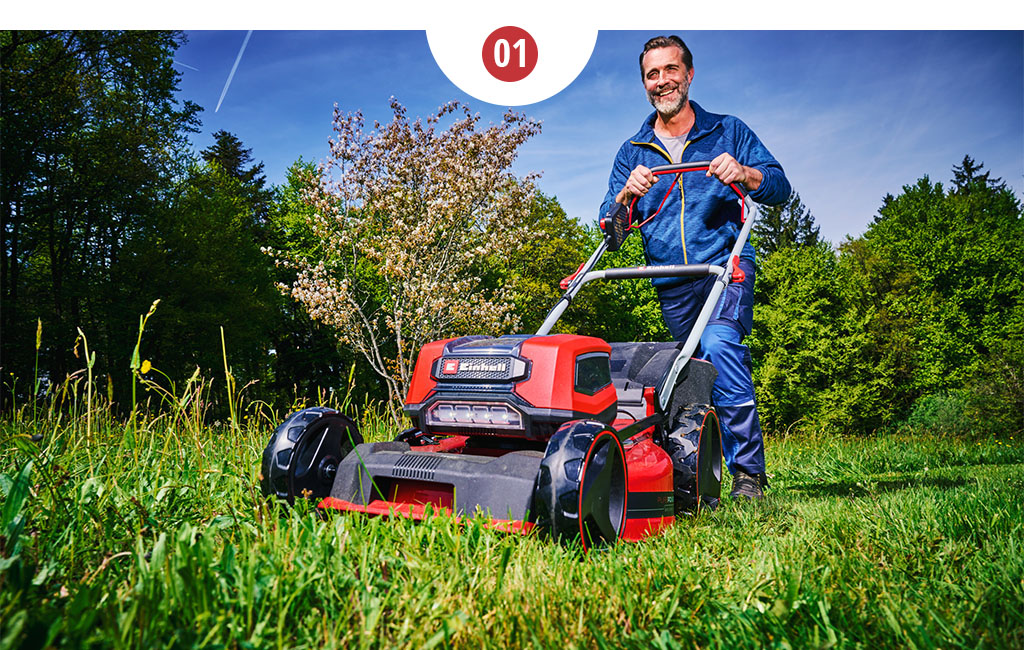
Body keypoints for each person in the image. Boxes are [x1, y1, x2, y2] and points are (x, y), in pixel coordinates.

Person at [600, 35, 791, 499]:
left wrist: (744, 173)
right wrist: (627, 194)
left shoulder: (728, 130)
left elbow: (780, 188)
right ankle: (693, 471)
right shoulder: (633, 150)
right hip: (671, 281)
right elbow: (612, 227)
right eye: (652, 74)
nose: (662, 81)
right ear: (644, 83)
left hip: (725, 266)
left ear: (688, 74)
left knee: (721, 344)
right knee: (691, 371)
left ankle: (749, 473)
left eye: (670, 70)